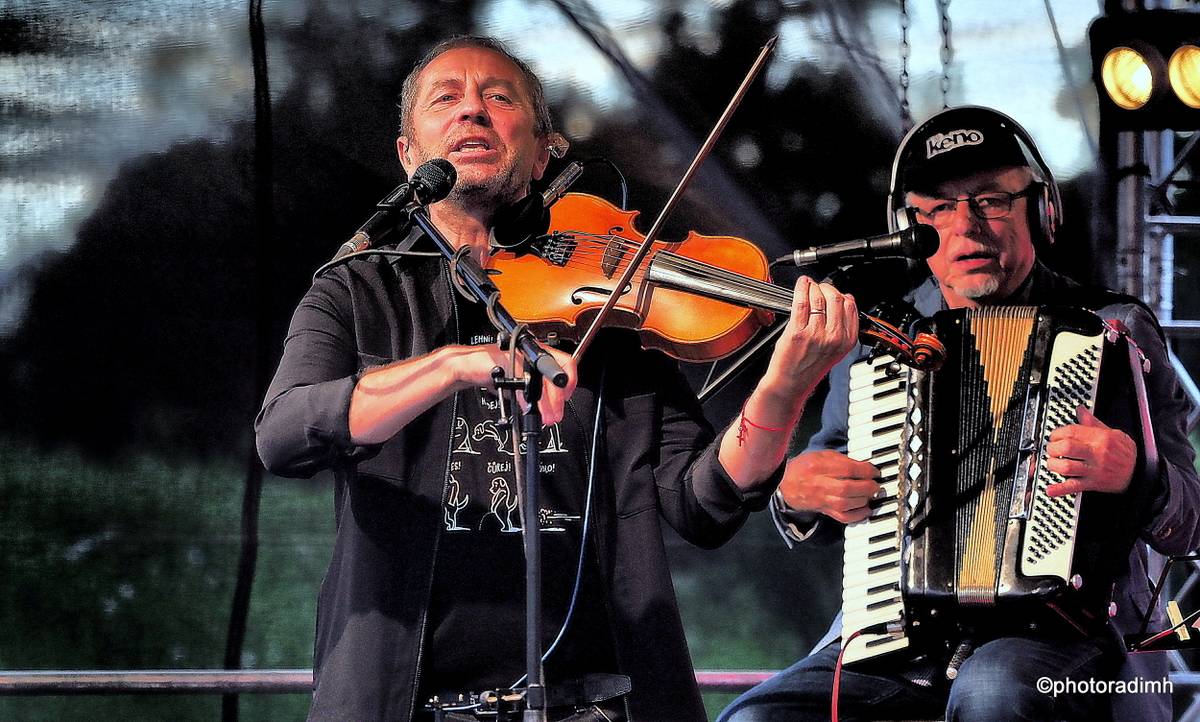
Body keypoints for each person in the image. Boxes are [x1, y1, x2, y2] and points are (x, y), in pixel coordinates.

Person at [255, 36, 859, 721]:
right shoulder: (356, 292)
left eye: (499, 97)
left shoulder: (612, 300)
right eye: (445, 98)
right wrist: (456, 365)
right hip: (402, 702)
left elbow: (702, 501)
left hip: (598, 704)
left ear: (542, 153)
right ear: (407, 155)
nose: (472, 112)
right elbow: (284, 434)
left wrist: (783, 389)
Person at [719, 106, 1200, 722]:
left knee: (994, 694)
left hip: (1072, 639)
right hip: (893, 637)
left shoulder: (1117, 329)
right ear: (907, 226)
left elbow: (1190, 522)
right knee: (757, 718)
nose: (966, 227)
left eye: (992, 201)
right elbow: (826, 463)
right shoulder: (878, 335)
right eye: (937, 209)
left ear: (1041, 210)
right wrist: (799, 488)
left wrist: (1137, 475)